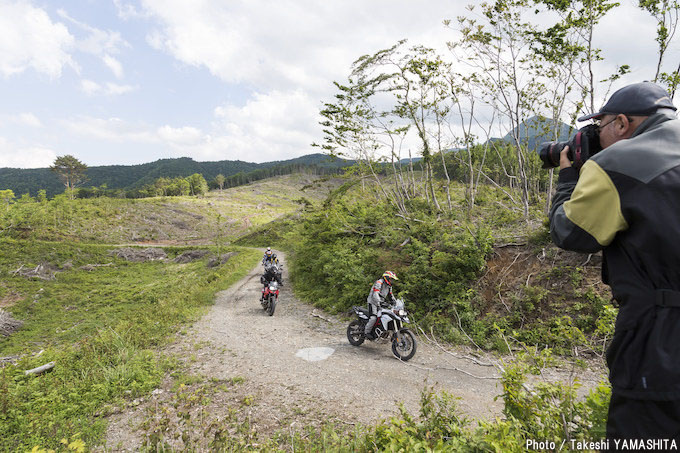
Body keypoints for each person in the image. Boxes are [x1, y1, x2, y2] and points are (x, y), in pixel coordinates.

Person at [548, 81, 680, 442]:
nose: (596, 136)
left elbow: (570, 233)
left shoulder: (619, 162)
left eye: (599, 126)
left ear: (622, 123)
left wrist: (568, 177)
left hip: (661, 344)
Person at [364, 271, 398, 339]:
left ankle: (380, 332)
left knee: (384, 316)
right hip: (373, 302)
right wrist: (378, 303)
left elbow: (391, 295)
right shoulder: (379, 282)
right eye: (391, 279)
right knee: (374, 317)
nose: (392, 281)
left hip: (380, 303)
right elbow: (375, 293)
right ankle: (366, 332)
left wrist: (395, 303)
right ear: (387, 278)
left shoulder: (389, 286)